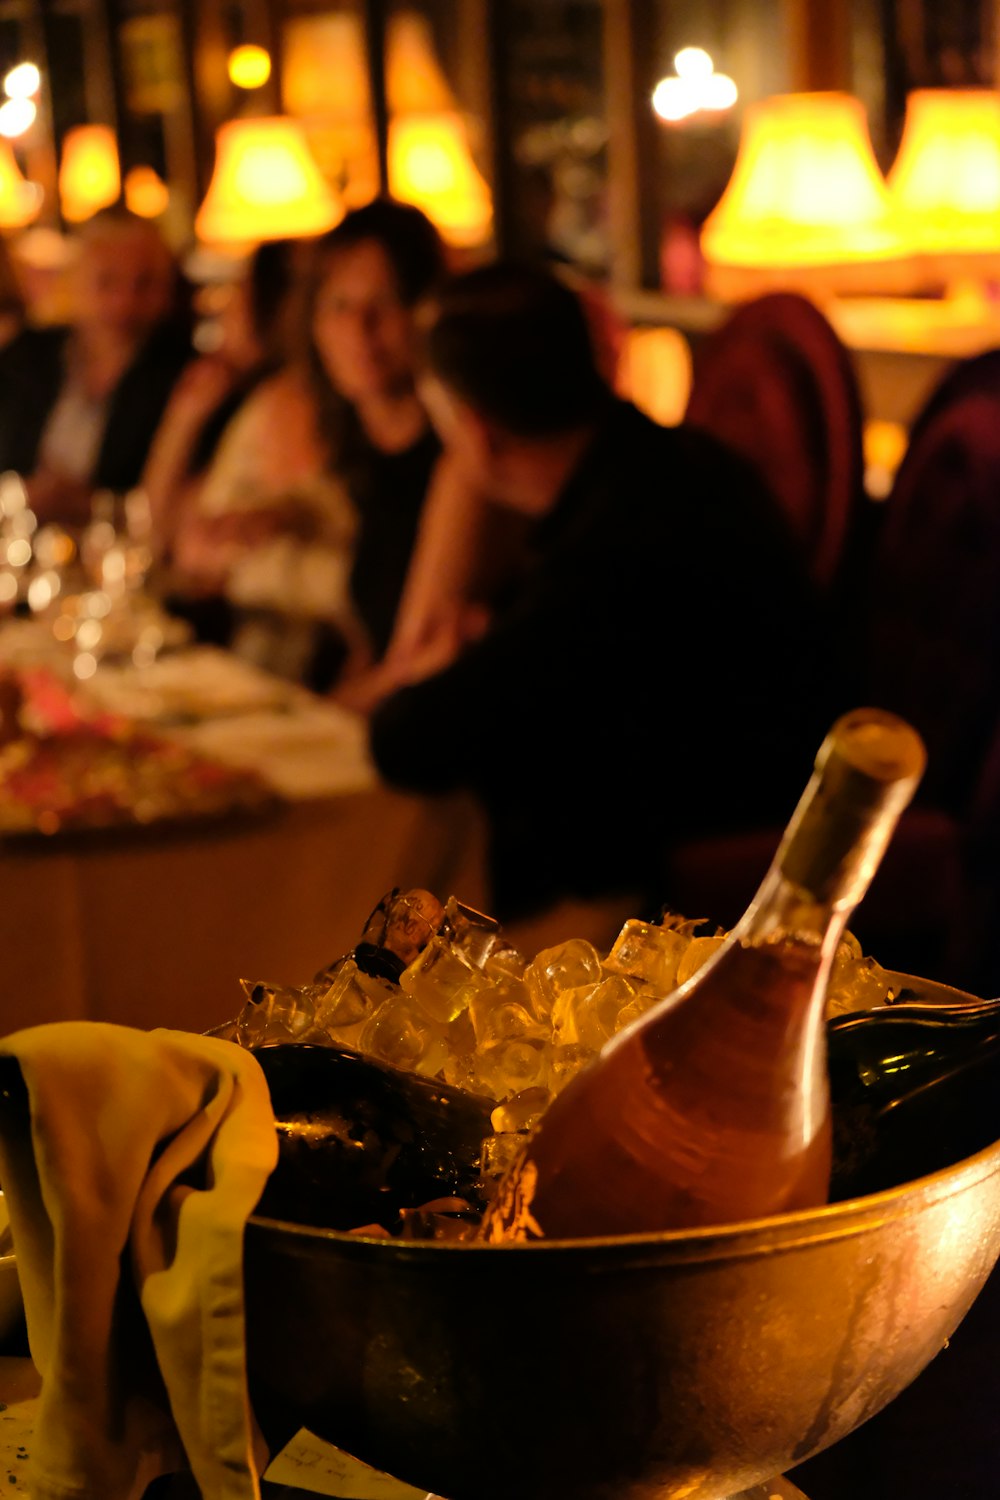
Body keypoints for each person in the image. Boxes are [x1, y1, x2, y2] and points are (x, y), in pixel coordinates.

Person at [367, 262, 838, 927]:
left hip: (698, 894)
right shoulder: (669, 466)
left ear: (475, 431)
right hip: (693, 819)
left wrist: (454, 671)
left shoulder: (618, 540)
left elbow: (409, 740)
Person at [0, 208, 190, 525]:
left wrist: (92, 505)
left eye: (144, 283)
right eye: (107, 282)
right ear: (75, 279)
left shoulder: (181, 375)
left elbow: (180, 501)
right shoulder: (25, 358)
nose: (124, 302)